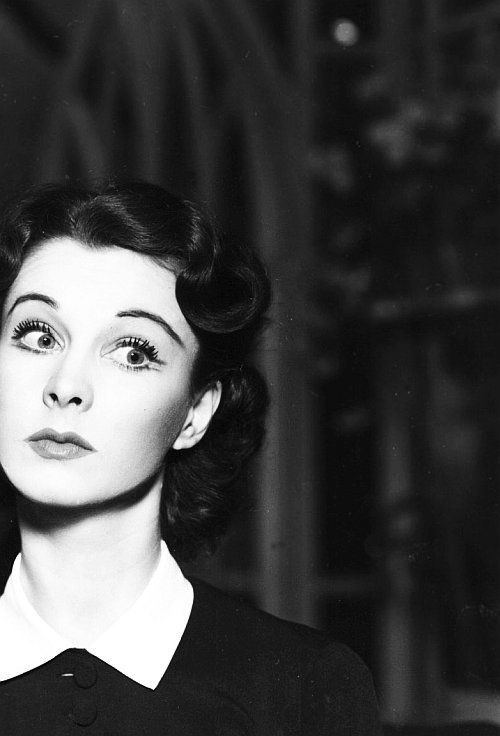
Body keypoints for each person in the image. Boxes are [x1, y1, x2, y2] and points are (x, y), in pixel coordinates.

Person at [0, 181, 382, 734]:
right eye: (38, 336)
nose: (66, 386)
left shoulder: (306, 687)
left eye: (133, 352)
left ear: (195, 413)